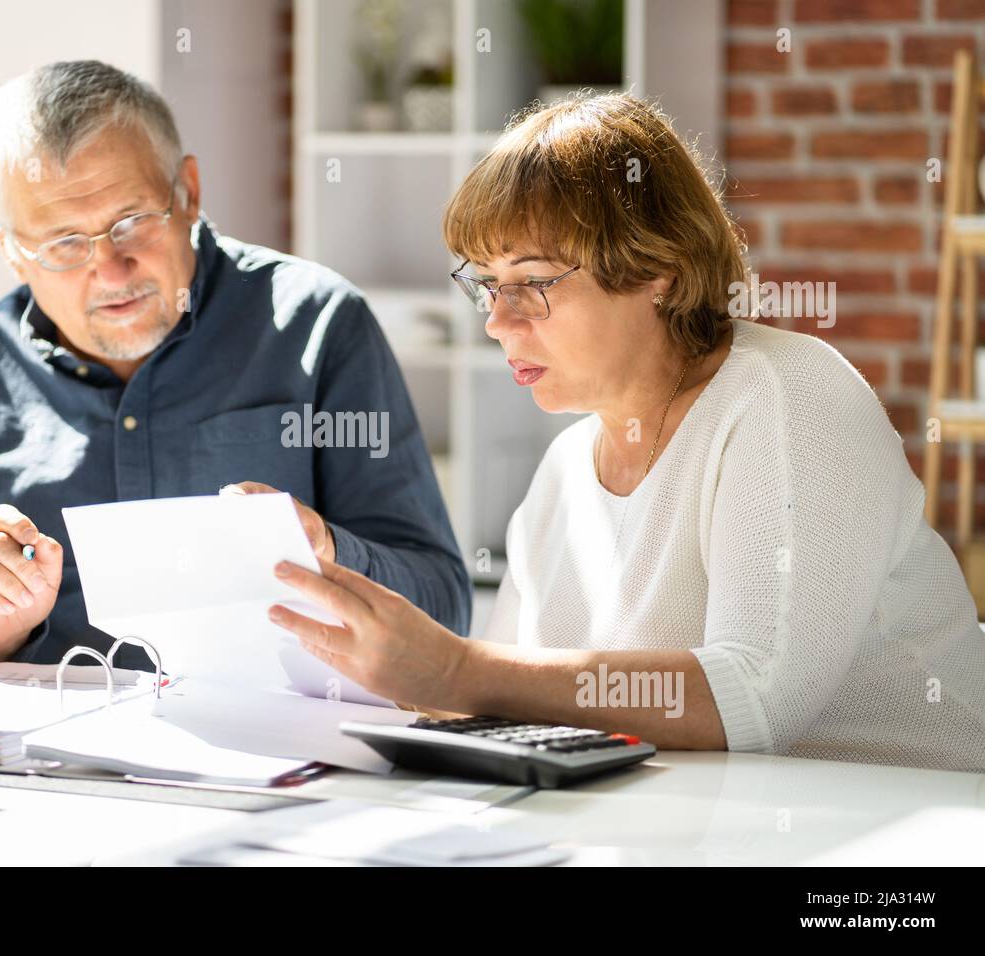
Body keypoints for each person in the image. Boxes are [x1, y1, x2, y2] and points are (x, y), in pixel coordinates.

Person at [268, 93, 985, 772]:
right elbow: (511, 698)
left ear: (660, 271)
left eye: (534, 281)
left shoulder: (786, 395)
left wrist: (455, 671)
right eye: (487, 283)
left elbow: (756, 695)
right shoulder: (564, 469)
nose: (496, 319)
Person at [0, 61, 469, 678]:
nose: (112, 269)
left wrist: (330, 554)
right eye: (64, 243)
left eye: (131, 222)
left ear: (188, 192)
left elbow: (445, 608)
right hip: (37, 768)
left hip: (274, 758)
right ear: (12, 251)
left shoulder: (317, 325)